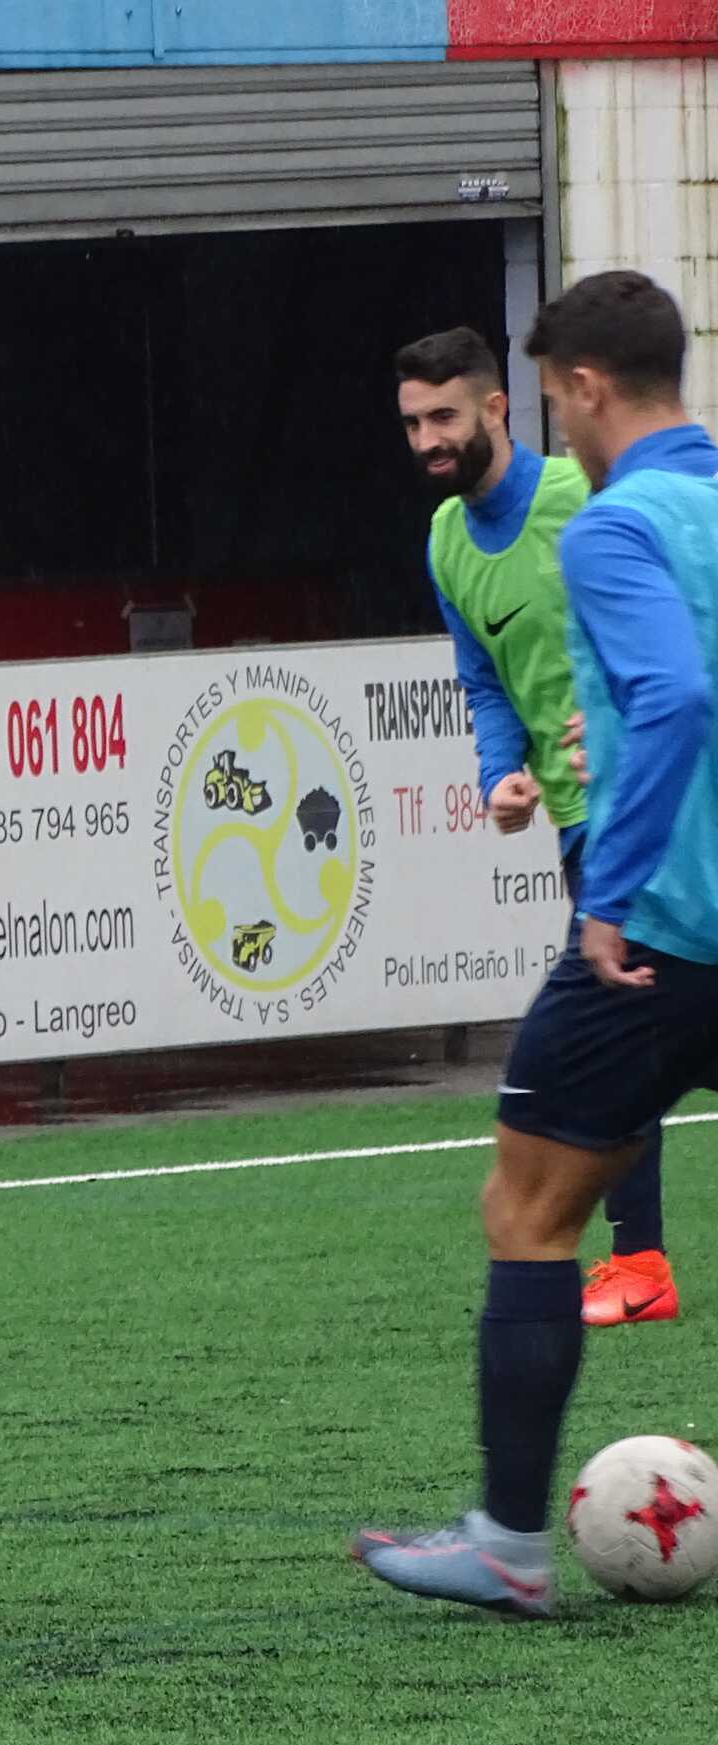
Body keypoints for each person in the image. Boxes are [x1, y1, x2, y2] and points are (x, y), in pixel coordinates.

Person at [355, 271, 718, 1616]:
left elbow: (675, 697)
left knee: (528, 1208)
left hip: (664, 927)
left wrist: (609, 888)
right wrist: (567, 739)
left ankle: (509, 1544)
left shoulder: (609, 522)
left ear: (579, 389)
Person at [395, 324, 679, 1327]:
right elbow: (483, 679)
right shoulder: (445, 541)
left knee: (612, 1042)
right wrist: (499, 774)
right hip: (576, 823)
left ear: (497, 407)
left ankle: (638, 1262)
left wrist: (622, 713)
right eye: (412, 423)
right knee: (634, 1037)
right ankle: (638, 1261)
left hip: (656, 808)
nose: (428, 440)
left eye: (444, 417)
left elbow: (677, 611)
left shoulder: (581, 497)